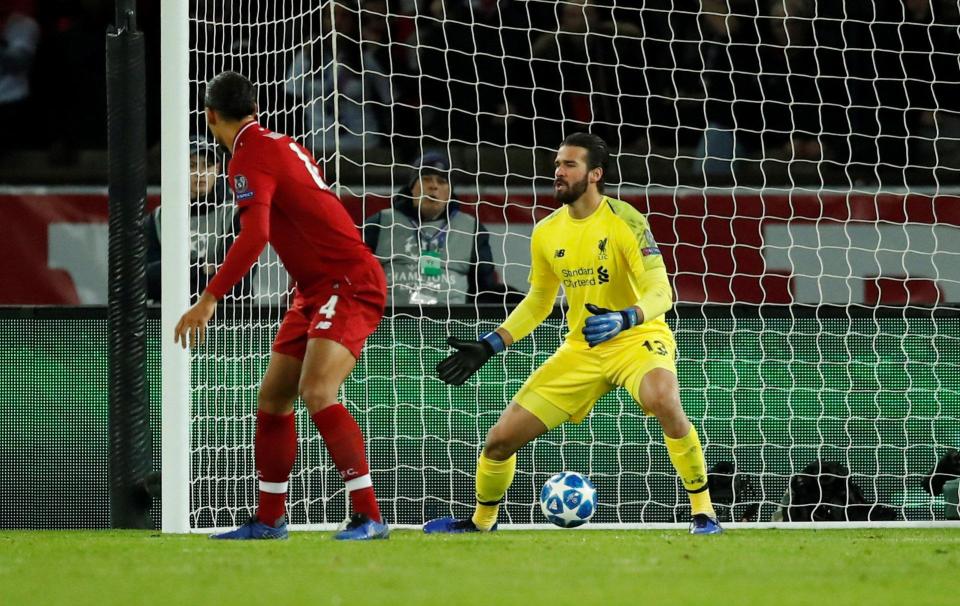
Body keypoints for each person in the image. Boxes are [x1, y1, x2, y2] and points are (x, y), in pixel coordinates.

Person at [424, 132, 722, 535]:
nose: (558, 172)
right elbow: (539, 302)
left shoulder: (627, 221)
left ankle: (704, 513)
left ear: (595, 174)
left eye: (569, 165)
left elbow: (661, 292)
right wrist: (491, 344)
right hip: (582, 348)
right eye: (557, 165)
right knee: (498, 442)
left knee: (663, 398)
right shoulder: (547, 231)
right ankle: (482, 522)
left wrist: (625, 317)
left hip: (636, 338)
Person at [174, 71, 389, 541]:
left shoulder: (249, 157)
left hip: (348, 281)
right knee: (273, 399)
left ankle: (370, 515)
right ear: (252, 108)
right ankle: (270, 518)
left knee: (317, 391)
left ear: (211, 117)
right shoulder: (282, 142)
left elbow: (256, 235)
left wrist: (208, 299)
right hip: (314, 289)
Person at [363, 151, 503, 306]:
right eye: (426, 179)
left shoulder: (471, 228)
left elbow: (484, 288)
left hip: (452, 323)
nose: (433, 186)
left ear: (450, 192)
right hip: (390, 322)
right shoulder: (381, 222)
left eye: (442, 181)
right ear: (412, 188)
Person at [145, 136, 249, 302]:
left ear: (218, 168)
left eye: (207, 165)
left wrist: (173, 272)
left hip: (222, 321)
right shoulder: (159, 218)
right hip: (168, 319)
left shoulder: (235, 215)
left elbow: (238, 287)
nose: (200, 173)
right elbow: (143, 282)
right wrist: (200, 267)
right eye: (192, 165)